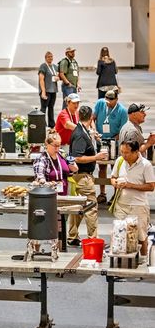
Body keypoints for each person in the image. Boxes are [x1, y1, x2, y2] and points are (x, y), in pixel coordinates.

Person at [67, 105, 107, 247]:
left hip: (79, 177)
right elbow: (76, 157)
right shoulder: (80, 134)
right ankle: (93, 239)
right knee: (91, 207)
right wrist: (96, 157)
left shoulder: (82, 131)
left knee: (77, 207)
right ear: (91, 118)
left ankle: (72, 236)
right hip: (83, 177)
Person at [110, 139, 155, 256]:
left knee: (141, 236)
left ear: (136, 152)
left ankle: (144, 261)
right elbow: (113, 177)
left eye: (127, 152)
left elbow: (151, 186)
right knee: (120, 235)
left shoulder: (146, 165)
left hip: (138, 206)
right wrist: (115, 183)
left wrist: (130, 185)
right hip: (121, 205)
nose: (123, 155)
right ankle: (121, 262)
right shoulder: (120, 161)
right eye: (122, 152)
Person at [92, 89, 128, 203]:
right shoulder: (100, 103)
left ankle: (115, 194)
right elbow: (92, 118)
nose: (108, 102)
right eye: (107, 99)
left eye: (111, 100)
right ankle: (102, 193)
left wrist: (112, 140)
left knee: (115, 167)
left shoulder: (122, 111)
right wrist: (94, 131)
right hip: (101, 140)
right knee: (102, 166)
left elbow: (122, 131)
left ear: (117, 99)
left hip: (114, 142)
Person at [33, 130, 78, 195]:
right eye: (55, 146)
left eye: (59, 145)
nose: (57, 148)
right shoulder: (41, 158)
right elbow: (40, 178)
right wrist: (48, 183)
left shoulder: (63, 153)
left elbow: (75, 169)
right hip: (49, 195)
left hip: (65, 193)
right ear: (47, 144)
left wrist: (71, 162)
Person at [38, 51, 59, 128]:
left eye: (51, 56)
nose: (50, 58)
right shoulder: (43, 66)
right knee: (43, 108)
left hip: (53, 90)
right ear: (45, 58)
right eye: (49, 57)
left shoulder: (55, 66)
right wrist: (43, 92)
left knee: (51, 108)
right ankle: (42, 124)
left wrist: (58, 78)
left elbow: (58, 75)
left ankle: (52, 124)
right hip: (46, 91)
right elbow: (41, 79)